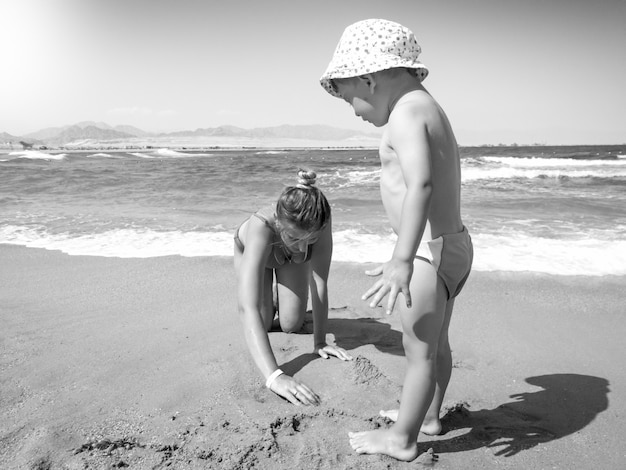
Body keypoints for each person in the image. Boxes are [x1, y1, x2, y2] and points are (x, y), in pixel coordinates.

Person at [320, 19, 473, 460]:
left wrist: (402, 259)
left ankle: (403, 439)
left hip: (426, 254)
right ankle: (427, 416)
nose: (353, 111)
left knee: (418, 349)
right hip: (453, 245)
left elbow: (420, 185)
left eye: (349, 97)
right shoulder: (428, 107)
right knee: (436, 342)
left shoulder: (405, 113)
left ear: (369, 77)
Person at [234, 169, 352, 406]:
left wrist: (320, 342)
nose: (303, 247)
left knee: (291, 325)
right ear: (279, 222)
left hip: (288, 260)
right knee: (263, 321)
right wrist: (274, 377)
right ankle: (269, 292)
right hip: (258, 253)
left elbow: (319, 282)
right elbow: (248, 308)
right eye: (297, 239)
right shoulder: (263, 225)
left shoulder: (320, 223)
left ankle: (279, 294)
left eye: (310, 240)